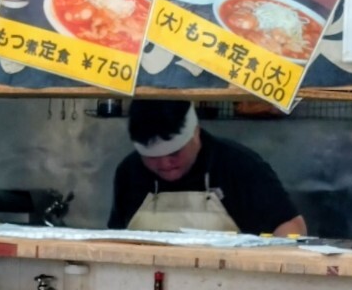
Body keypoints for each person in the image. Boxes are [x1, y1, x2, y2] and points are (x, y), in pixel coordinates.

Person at [108, 99, 306, 236]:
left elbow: (290, 226)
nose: (164, 164)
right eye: (151, 157)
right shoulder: (129, 172)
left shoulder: (239, 166)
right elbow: (115, 238)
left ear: (195, 133)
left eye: (174, 153)